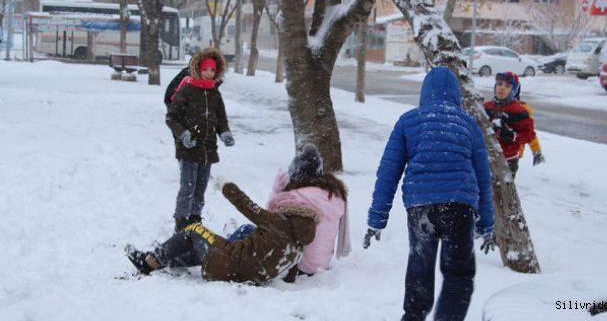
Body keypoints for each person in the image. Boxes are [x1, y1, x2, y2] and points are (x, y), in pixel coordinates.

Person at [364, 67, 495, 321]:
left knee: (419, 266)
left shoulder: (408, 121)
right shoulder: (468, 123)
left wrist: (377, 217)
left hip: (420, 205)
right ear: (456, 94)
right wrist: (486, 222)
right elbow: (482, 176)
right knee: (459, 273)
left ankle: (413, 317)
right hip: (459, 205)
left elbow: (388, 172)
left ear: (424, 92)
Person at [125, 176, 320, 285]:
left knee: (194, 229)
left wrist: (226, 186)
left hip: (225, 266)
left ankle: (149, 262)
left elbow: (247, 205)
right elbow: (289, 276)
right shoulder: (298, 249)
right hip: (244, 276)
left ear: (294, 214)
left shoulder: (279, 223)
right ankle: (169, 261)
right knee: (247, 230)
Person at [166, 47, 235, 231]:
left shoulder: (214, 94)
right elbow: (171, 117)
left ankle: (195, 220)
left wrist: (225, 133)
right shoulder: (187, 91)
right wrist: (183, 134)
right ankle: (181, 222)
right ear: (198, 69)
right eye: (205, 69)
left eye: (212, 70)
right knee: (187, 188)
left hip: (207, 150)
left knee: (200, 189)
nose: (209, 73)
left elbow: (221, 119)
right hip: (189, 149)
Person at [264, 143, 350, 280]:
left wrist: (276, 191)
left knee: (246, 231)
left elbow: (266, 221)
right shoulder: (335, 196)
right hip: (322, 264)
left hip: (298, 266)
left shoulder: (296, 197)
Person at [483, 72, 536, 179]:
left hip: (507, 159)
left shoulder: (519, 111)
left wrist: (513, 136)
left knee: (503, 191)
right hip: (485, 157)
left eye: (507, 86)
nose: (502, 88)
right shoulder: (486, 106)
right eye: (499, 84)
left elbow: (529, 134)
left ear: (514, 90)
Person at [514, 87, 545, 166]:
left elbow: (529, 134)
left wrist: (536, 151)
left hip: (515, 152)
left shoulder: (522, 110)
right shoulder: (496, 106)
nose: (502, 88)